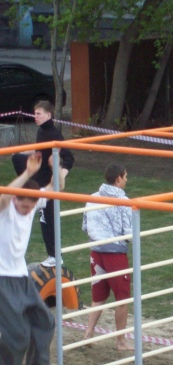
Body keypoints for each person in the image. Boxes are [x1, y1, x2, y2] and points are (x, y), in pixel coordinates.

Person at [0, 153, 64, 365]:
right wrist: (28, 172)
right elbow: (4, 196)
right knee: (17, 334)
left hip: (21, 277)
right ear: (17, 199)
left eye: (30, 207)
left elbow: (56, 188)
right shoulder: (7, 208)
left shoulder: (33, 203)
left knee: (45, 321)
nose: (26, 211)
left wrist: (56, 167)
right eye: (23, 206)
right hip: (2, 278)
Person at [11, 100, 74, 268]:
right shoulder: (41, 131)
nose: (35, 116)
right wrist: (19, 152)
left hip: (47, 182)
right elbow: (39, 150)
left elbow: (69, 158)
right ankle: (27, 187)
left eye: (38, 113)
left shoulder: (54, 134)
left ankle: (55, 256)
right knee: (17, 158)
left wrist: (60, 176)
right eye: (35, 113)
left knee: (47, 219)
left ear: (48, 115)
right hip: (39, 177)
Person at [82, 164, 133, 351]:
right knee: (122, 298)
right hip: (115, 255)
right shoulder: (124, 202)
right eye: (125, 176)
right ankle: (120, 341)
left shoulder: (92, 198)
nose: (126, 180)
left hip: (96, 252)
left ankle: (88, 333)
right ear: (118, 178)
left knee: (98, 296)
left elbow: (85, 226)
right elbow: (129, 233)